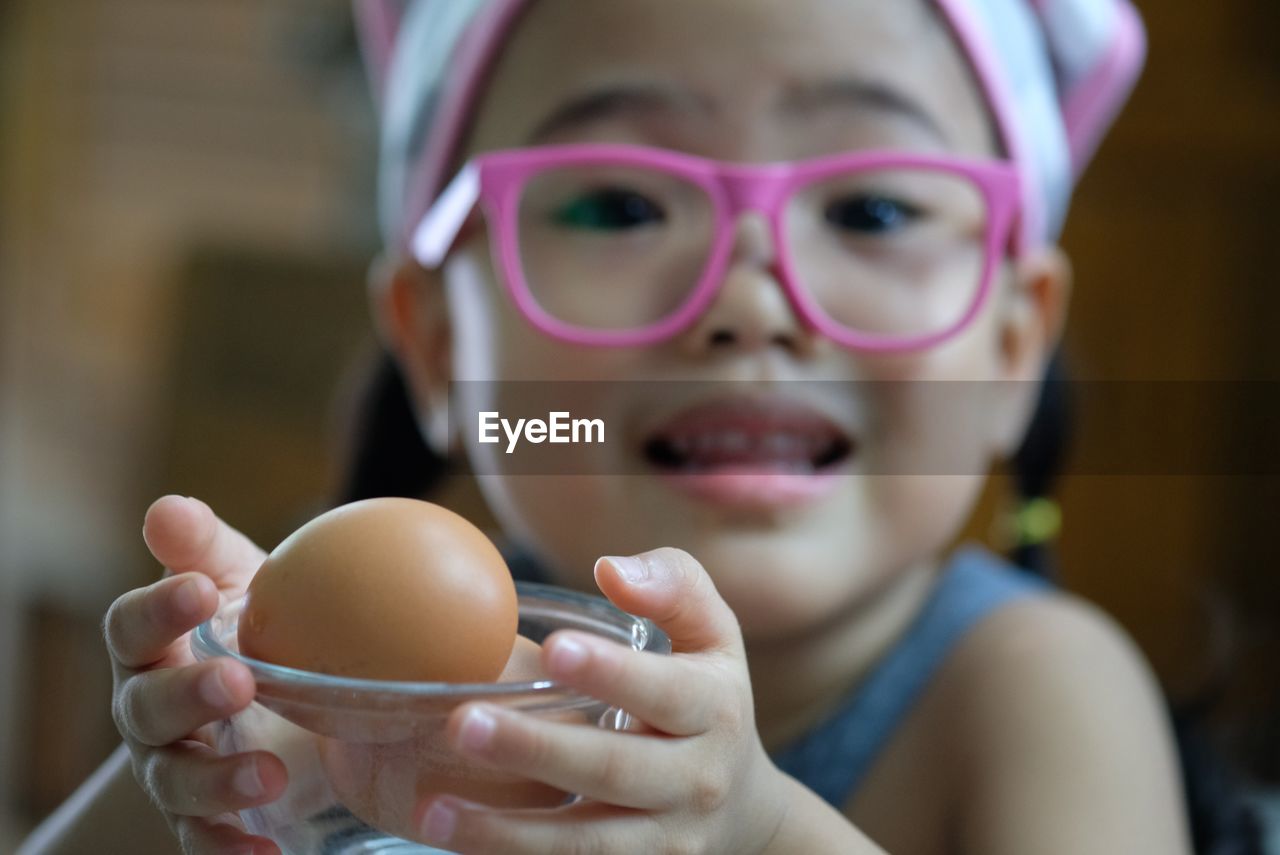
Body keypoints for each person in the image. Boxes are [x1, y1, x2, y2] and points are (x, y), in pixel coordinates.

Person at [24, 0, 1212, 852]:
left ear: (1012, 347)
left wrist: (759, 834)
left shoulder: (1028, 693)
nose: (750, 300)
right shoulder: (387, 673)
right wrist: (211, 763)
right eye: (620, 204)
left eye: (873, 207)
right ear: (438, 344)